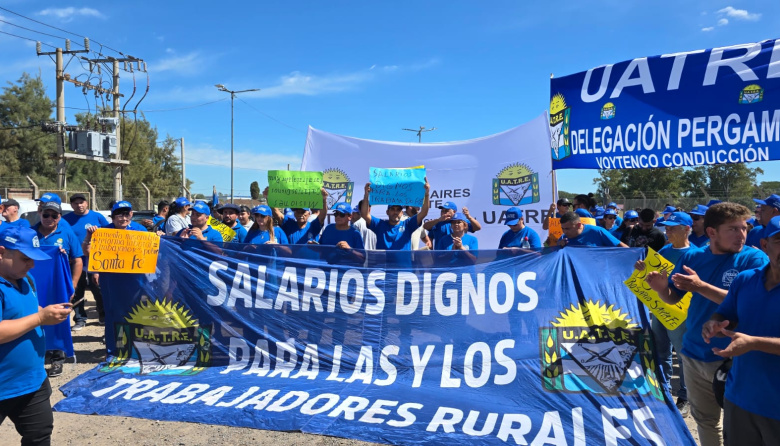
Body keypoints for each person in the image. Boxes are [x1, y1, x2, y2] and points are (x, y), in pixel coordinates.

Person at [646, 202, 768, 446]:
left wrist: (701, 287)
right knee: (705, 421)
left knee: (740, 424)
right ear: (712, 232)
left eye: (744, 228)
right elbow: (673, 296)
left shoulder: (754, 259)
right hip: (693, 353)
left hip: (733, 357)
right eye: (733, 229)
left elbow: (747, 303)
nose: (741, 235)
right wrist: (661, 289)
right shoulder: (693, 257)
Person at [702, 215, 780, 446]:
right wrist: (714, 323)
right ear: (765, 245)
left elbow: (751, 340)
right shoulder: (746, 279)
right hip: (740, 398)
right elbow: (728, 314)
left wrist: (754, 342)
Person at [0, 226, 72, 445]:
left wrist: (48, 311)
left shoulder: (25, 278)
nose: (31, 264)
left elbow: (29, 309)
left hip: (32, 381)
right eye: (25, 259)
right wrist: (40, 319)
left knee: (39, 435)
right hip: (3, 383)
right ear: (1, 252)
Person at [650, 211, 698, 416]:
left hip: (682, 314)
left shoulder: (697, 254)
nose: (667, 231)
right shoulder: (664, 250)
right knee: (660, 351)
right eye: (666, 227)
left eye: (672, 228)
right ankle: (664, 392)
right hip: (660, 309)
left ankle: (686, 397)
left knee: (682, 354)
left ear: (687, 229)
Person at [32, 202, 83, 378]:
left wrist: (73, 285)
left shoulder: (66, 233)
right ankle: (38, 357)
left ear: (59, 217)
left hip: (57, 286)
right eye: (46, 215)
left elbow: (77, 260)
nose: (50, 219)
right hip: (34, 287)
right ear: (40, 213)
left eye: (54, 216)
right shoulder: (30, 234)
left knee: (58, 319)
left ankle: (57, 359)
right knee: (34, 320)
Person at [62, 193, 110, 331]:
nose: (79, 205)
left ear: (87, 203)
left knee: (98, 288)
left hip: (94, 260)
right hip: (75, 260)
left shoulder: (97, 217)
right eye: (76, 203)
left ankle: (103, 315)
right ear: (71, 205)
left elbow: (108, 234)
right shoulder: (66, 220)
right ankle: (80, 319)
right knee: (77, 290)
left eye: (81, 202)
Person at [360, 179, 430, 250]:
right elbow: (365, 214)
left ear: (402, 213)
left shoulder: (408, 225)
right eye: (392, 209)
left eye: (398, 210)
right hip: (384, 261)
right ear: (387, 212)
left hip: (404, 261)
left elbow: (424, 212)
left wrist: (426, 194)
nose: (395, 212)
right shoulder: (380, 225)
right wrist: (366, 195)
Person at [557, 211, 627, 247]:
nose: (565, 231)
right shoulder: (563, 238)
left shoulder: (598, 231)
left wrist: (636, 257)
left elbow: (621, 246)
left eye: (568, 229)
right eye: (562, 228)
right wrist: (559, 246)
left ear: (578, 225)